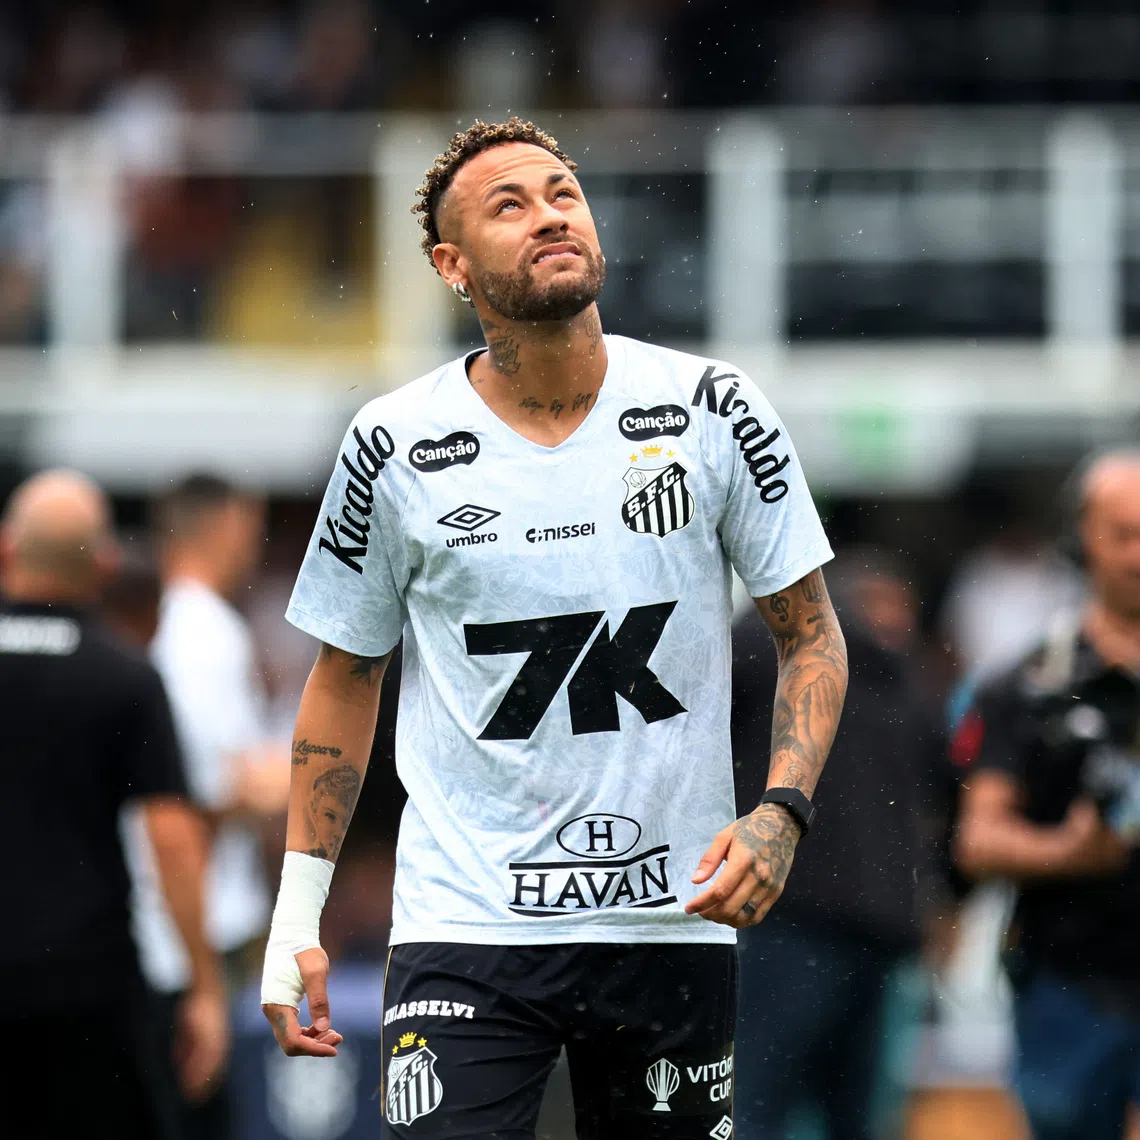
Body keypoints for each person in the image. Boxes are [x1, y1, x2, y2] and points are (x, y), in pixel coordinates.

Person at [260, 117, 849, 1140]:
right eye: (510, 206)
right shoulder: (392, 445)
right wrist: (291, 915)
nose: (549, 217)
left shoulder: (712, 408)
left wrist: (781, 812)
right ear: (451, 264)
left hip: (671, 919)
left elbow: (812, 635)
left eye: (562, 194)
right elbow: (345, 676)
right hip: (466, 925)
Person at [0, 469, 227, 1140]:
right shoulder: (125, 676)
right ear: (104, 564)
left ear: (6, 550)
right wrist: (205, 987)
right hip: (89, 988)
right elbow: (174, 838)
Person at [954, 449, 1140, 1139]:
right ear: (1082, 539)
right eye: (1124, 534)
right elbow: (977, 840)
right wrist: (1068, 851)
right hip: (1070, 979)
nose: (1138, 554)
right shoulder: (1027, 684)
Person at [731, 545, 946, 1140]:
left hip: (795, 918)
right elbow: (943, 806)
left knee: (756, 1107)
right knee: (838, 1114)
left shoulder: (764, 648)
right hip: (837, 926)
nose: (893, 625)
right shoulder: (906, 684)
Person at [125, 472, 290, 1140]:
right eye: (250, 526)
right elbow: (210, 791)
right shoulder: (203, 632)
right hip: (195, 922)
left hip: (172, 918)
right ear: (223, 525)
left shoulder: (165, 618)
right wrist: (312, 764)